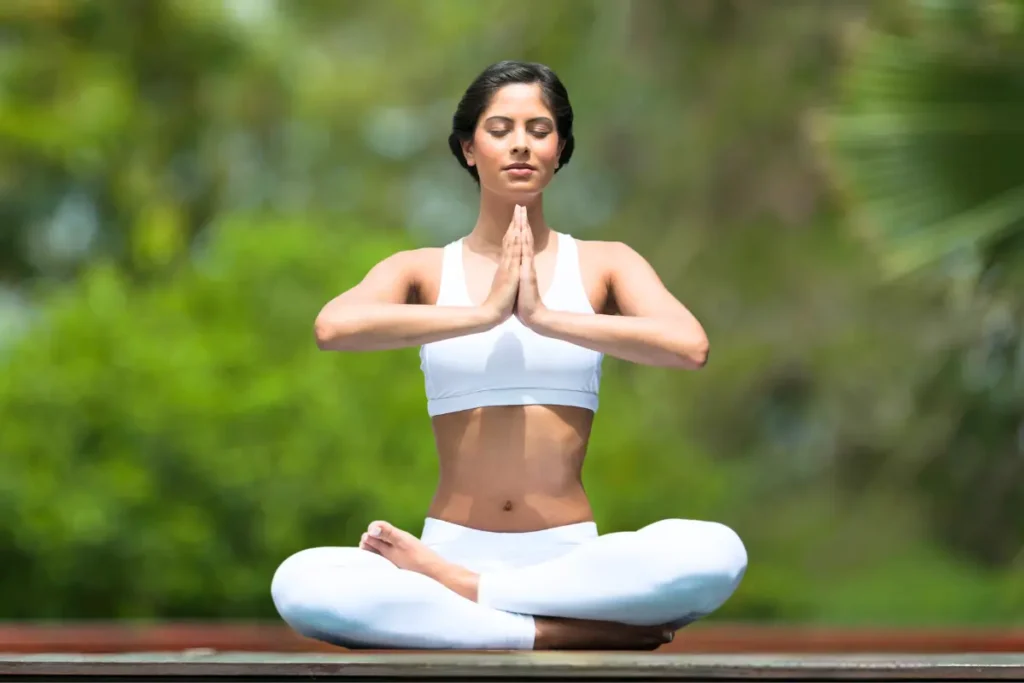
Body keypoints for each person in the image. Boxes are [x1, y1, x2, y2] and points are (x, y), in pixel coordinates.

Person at [270, 60, 747, 651]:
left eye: (539, 130)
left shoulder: (605, 263)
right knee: (300, 584)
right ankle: (551, 632)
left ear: (561, 149)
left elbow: (689, 346)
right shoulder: (421, 268)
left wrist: (545, 317)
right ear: (469, 148)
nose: (521, 143)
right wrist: (485, 313)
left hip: (569, 565)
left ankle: (474, 598)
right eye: (500, 129)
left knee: (717, 553)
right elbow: (333, 327)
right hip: (446, 544)